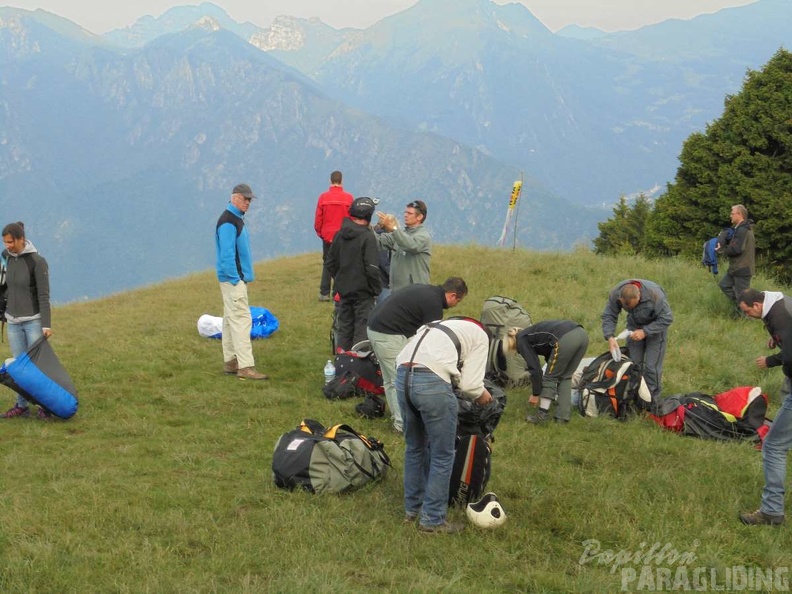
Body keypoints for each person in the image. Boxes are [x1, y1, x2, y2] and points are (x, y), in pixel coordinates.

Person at [396, 317, 492, 534]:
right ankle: (432, 520)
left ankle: (412, 510)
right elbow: (470, 385)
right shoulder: (480, 336)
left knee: (415, 448)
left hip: (402, 376)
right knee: (442, 454)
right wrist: (482, 395)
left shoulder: (435, 325)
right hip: (431, 382)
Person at [367, 278, 468, 434]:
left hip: (375, 327)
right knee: (400, 380)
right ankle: (402, 425)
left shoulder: (427, 291)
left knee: (390, 379)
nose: (456, 305)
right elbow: (433, 340)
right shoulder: (434, 306)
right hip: (387, 334)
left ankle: (399, 418)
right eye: (458, 301)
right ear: (453, 296)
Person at [737, 288, 792, 526]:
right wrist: (779, 339)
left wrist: (772, 360)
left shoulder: (779, 316)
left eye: (748, 312)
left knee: (773, 446)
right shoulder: (779, 303)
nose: (748, 316)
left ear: (757, 305)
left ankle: (772, 512)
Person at [1, 222, 53, 419]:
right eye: (4, 242)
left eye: (10, 242)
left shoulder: (37, 262)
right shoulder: (5, 257)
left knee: (38, 366)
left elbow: (44, 295)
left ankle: (45, 406)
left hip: (33, 321)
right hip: (12, 321)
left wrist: (46, 325)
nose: (7, 246)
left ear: (21, 239)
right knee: (19, 367)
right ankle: (21, 406)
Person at [216, 183, 268, 381]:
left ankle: (231, 362)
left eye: (249, 200)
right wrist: (235, 278)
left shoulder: (235, 219)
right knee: (241, 320)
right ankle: (245, 366)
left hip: (231, 278)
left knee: (230, 319)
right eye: (245, 199)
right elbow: (227, 254)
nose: (248, 203)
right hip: (233, 279)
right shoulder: (229, 221)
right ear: (234, 198)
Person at [502, 321, 589, 425]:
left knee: (550, 377)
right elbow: (550, 355)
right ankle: (562, 417)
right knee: (565, 376)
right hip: (582, 334)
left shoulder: (521, 340)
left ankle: (541, 415)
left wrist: (536, 394)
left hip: (565, 338)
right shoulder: (531, 333)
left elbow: (535, 369)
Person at [325, 197, 382, 351]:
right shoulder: (367, 237)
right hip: (364, 294)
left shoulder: (339, 234)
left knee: (344, 329)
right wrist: (376, 289)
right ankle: (356, 369)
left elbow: (330, 262)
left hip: (344, 292)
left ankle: (341, 364)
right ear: (369, 215)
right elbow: (372, 268)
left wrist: (341, 280)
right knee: (361, 331)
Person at [602, 279, 673, 401]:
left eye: (634, 305)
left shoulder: (655, 295)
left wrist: (645, 331)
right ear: (620, 300)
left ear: (639, 296)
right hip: (634, 327)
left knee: (652, 367)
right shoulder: (616, 294)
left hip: (656, 328)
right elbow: (609, 315)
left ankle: (651, 400)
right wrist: (610, 337)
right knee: (634, 365)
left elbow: (667, 318)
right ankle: (634, 396)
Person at [375, 199, 431, 292]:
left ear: (420, 217)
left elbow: (411, 245)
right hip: (396, 291)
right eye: (405, 212)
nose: (405, 215)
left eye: (409, 213)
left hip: (415, 292)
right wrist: (365, 225)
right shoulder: (399, 234)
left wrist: (394, 229)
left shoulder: (424, 236)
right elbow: (379, 242)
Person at [314, 171, 354, 302]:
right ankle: (338, 292)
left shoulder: (323, 197)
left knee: (327, 262)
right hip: (343, 235)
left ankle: (324, 293)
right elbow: (352, 218)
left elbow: (318, 219)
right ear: (342, 181)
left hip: (328, 235)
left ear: (330, 181)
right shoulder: (349, 198)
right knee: (342, 263)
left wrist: (321, 232)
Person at [717, 204, 755, 313]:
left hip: (742, 268)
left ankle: (745, 318)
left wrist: (722, 250)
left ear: (740, 214)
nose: (730, 216)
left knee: (743, 297)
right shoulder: (740, 228)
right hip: (736, 268)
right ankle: (738, 308)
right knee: (724, 285)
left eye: (732, 213)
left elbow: (737, 249)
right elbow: (736, 245)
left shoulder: (743, 230)